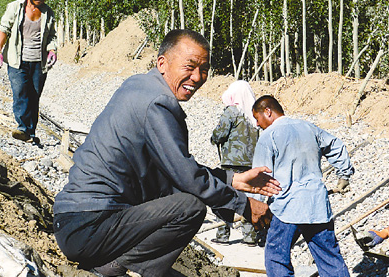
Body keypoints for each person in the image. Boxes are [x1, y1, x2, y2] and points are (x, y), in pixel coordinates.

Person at [53, 29, 281, 277]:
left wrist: (233, 179)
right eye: (190, 67)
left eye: (204, 70)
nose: (197, 77)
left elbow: (175, 171)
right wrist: (244, 205)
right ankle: (117, 269)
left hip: (75, 223)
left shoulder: (139, 86)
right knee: (190, 207)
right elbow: (187, 179)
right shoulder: (158, 103)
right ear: (162, 63)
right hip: (90, 226)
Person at [251, 95, 354, 277]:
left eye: (257, 118)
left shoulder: (269, 136)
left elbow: (260, 176)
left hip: (287, 208)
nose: (257, 124)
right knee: (329, 257)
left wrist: (257, 207)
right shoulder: (309, 127)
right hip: (317, 205)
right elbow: (336, 146)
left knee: (276, 257)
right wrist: (344, 175)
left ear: (267, 111)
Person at [0, 0, 57, 143]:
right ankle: (22, 127)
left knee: (34, 95)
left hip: (38, 62)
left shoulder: (48, 12)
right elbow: (4, 29)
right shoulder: (15, 7)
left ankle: (31, 131)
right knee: (21, 92)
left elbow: (52, 36)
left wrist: (52, 50)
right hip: (17, 60)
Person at [210, 80, 264, 246]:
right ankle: (250, 237)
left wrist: (213, 139)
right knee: (248, 198)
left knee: (225, 197)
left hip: (231, 163)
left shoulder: (232, 111)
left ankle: (222, 234)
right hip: (250, 163)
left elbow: (219, 133)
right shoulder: (254, 114)